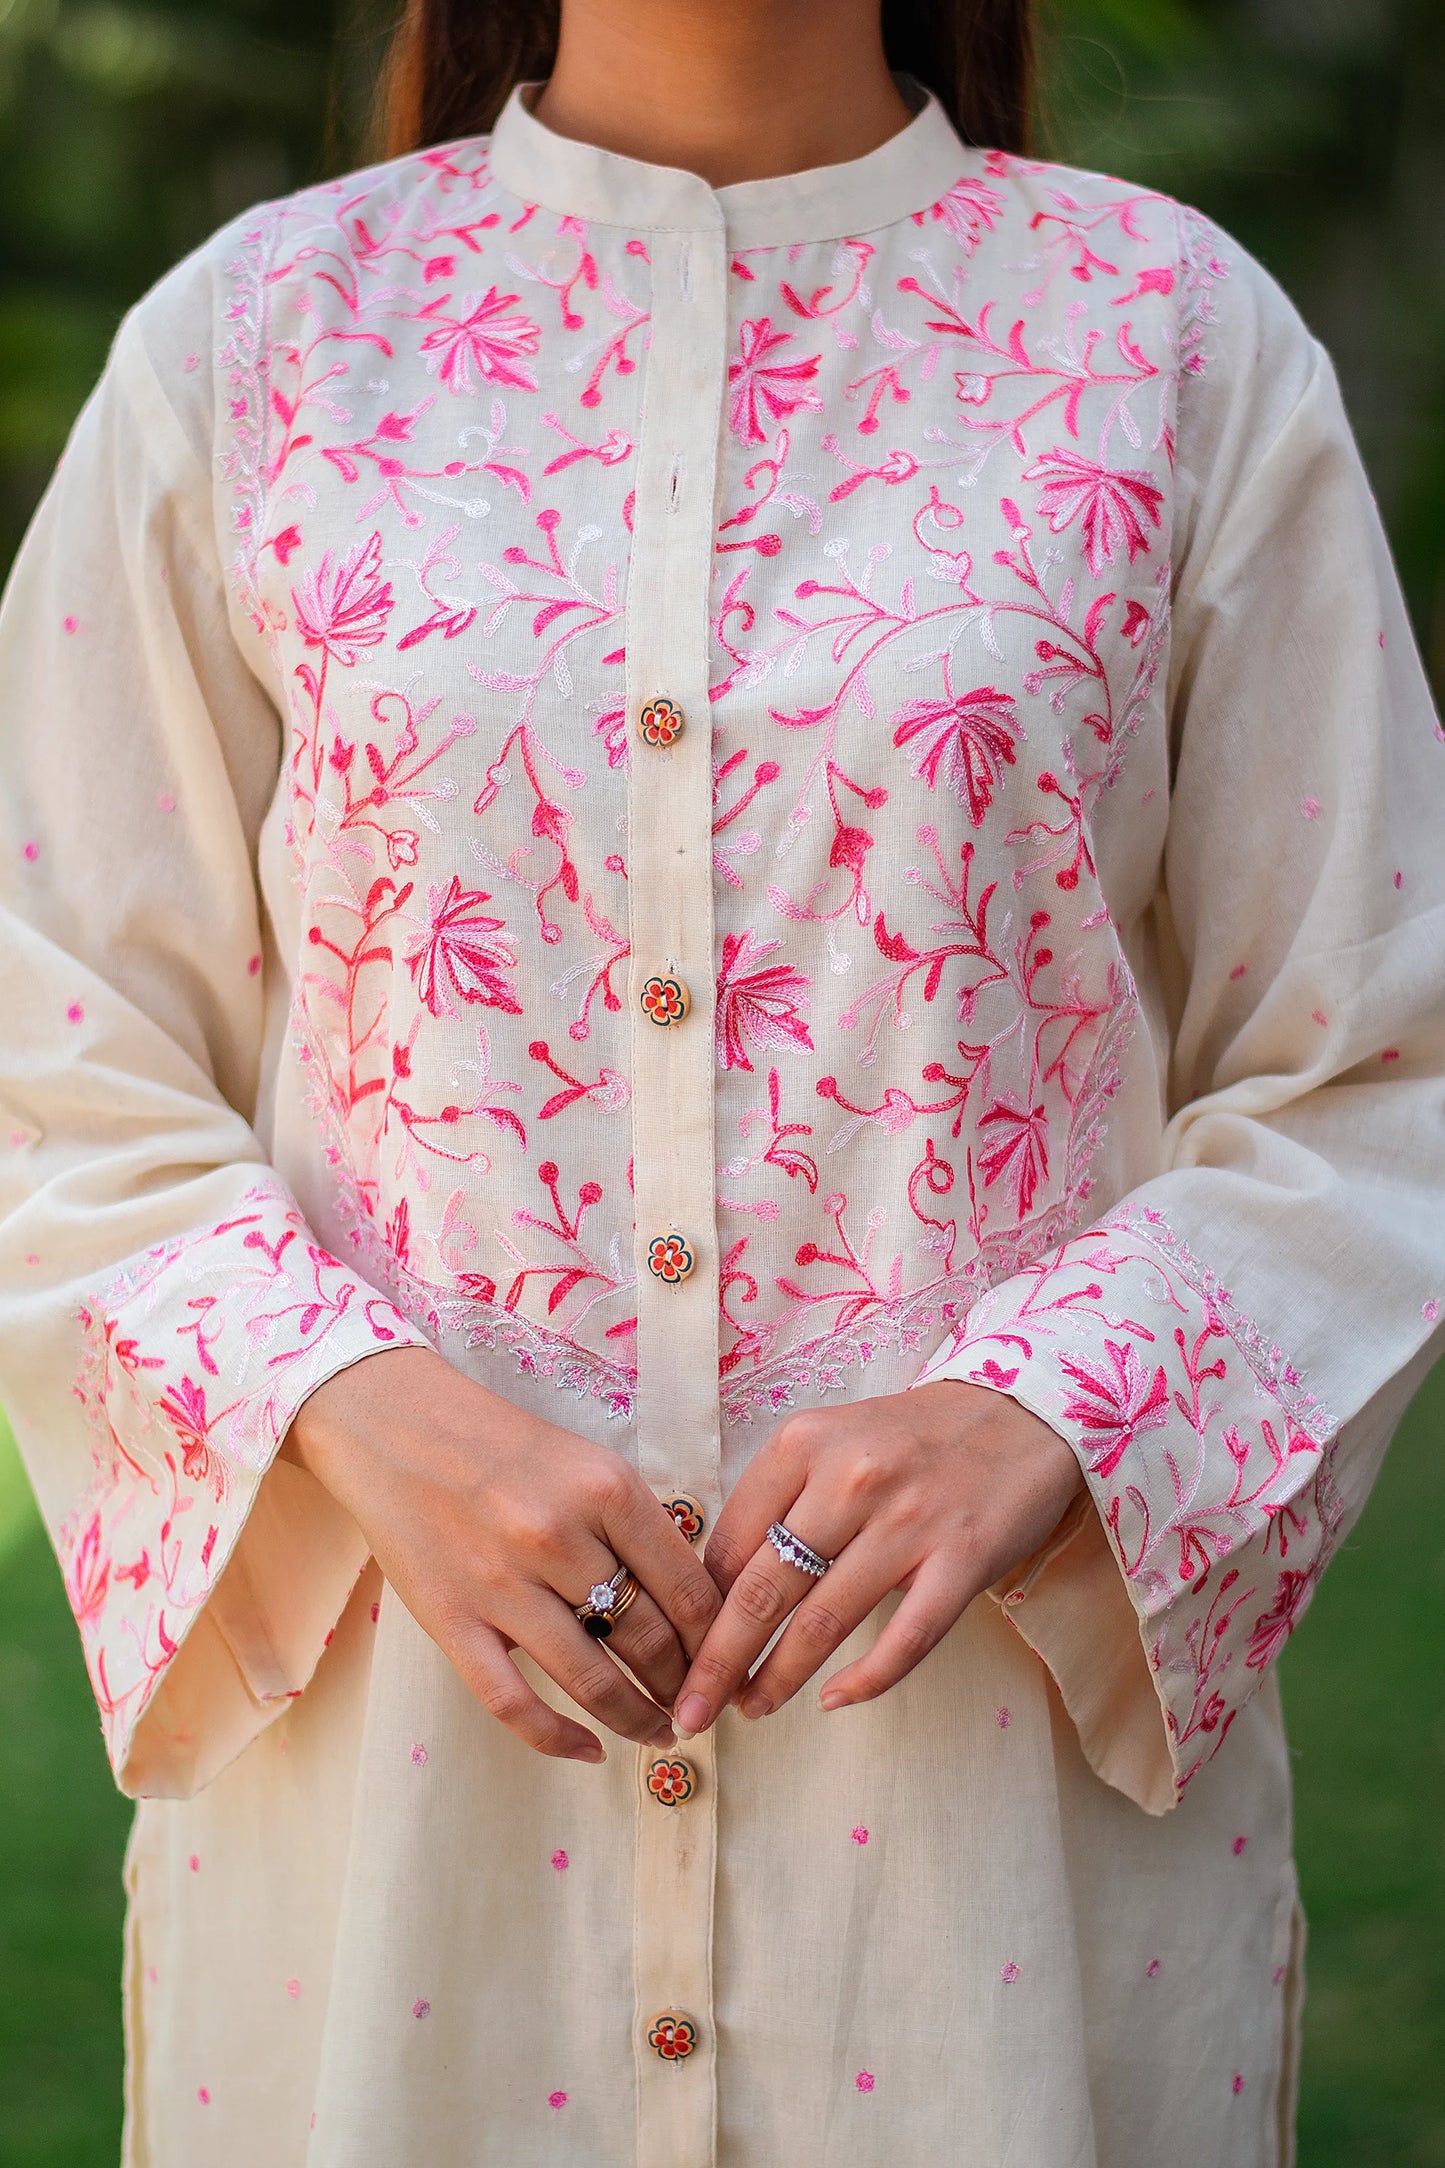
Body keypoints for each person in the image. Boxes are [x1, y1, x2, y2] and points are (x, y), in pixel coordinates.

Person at [1, 0, 1442, 2159]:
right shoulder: (259, 348)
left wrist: (1050, 1409)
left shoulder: (1170, 340)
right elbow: (52, 1038)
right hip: (396, 1892)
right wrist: (348, 1405)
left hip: (983, 1902)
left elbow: (1379, 1057)